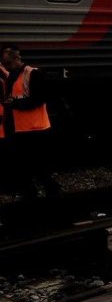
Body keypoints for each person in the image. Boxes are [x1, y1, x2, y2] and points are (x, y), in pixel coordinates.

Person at [2, 44, 61, 200]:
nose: (6, 66)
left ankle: (53, 194)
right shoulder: (12, 77)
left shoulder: (33, 74)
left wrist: (14, 104)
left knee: (40, 167)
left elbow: (40, 99)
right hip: (20, 130)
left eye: (8, 63)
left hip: (36, 130)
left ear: (17, 58)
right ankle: (30, 195)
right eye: (4, 64)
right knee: (24, 168)